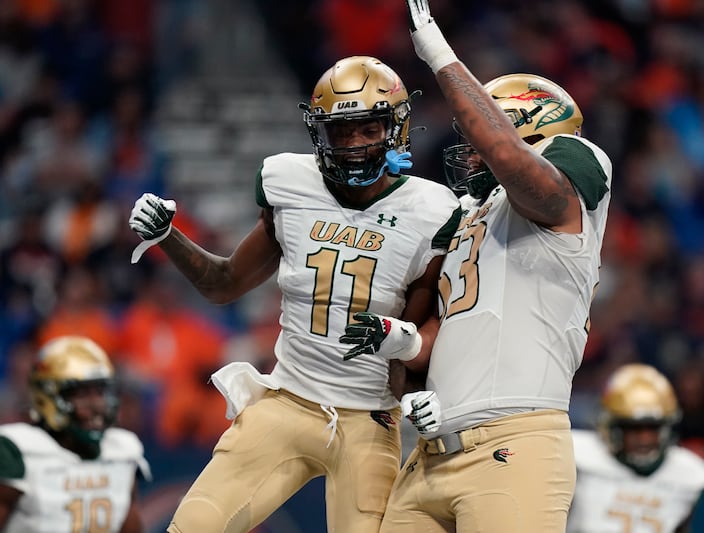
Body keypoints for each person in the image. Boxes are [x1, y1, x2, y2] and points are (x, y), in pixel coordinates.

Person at [128, 55, 461, 533]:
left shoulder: (431, 212)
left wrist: (427, 388)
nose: (352, 146)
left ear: (396, 127)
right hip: (286, 399)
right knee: (195, 526)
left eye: (367, 129)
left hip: (368, 418)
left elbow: (420, 337)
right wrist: (169, 237)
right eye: (339, 133)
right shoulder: (290, 182)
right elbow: (224, 284)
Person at [338, 1, 613, 531]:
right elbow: (447, 330)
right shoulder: (467, 217)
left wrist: (439, 56)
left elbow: (510, 159)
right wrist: (401, 343)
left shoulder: (574, 173)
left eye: (480, 139)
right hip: (430, 456)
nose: (470, 154)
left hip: (515, 442)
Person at [0, 335, 151, 533]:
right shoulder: (19, 453)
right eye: (82, 394)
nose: (96, 405)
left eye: (100, 392)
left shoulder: (121, 451)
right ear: (48, 397)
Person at [568, 364, 704, 533]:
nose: (645, 438)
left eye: (653, 428)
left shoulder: (687, 475)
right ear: (612, 426)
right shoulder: (579, 458)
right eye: (635, 429)